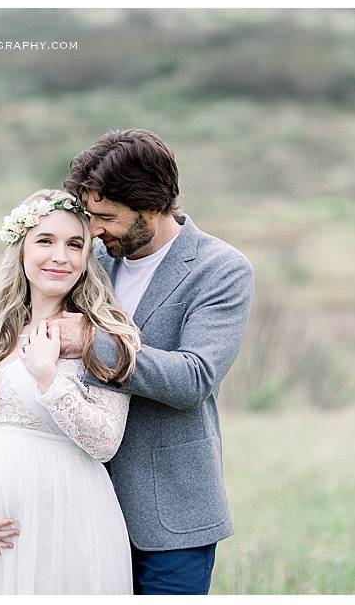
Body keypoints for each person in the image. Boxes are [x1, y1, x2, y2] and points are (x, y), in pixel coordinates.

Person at [46, 129, 255, 594]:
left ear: (152, 207)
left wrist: (91, 342)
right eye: (90, 215)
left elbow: (192, 378)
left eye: (107, 217)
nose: (94, 229)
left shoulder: (220, 269)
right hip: (83, 504)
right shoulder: (91, 259)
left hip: (171, 515)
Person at [0, 189, 142, 594]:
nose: (59, 256)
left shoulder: (104, 334)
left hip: (67, 516)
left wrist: (50, 379)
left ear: (87, 258)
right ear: (21, 248)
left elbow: (105, 442)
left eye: (74, 245)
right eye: (45, 241)